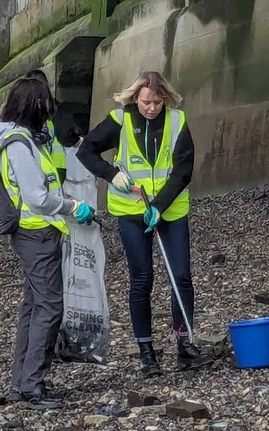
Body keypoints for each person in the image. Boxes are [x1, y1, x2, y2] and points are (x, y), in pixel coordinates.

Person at [78, 71, 210, 378]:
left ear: (165, 98)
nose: (151, 108)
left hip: (170, 209)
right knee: (142, 279)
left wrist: (160, 207)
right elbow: (86, 151)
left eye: (156, 102)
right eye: (145, 102)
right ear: (135, 97)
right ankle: (146, 353)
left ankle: (184, 345)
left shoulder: (177, 121)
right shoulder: (119, 120)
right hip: (130, 210)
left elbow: (183, 171)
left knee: (181, 277)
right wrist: (111, 174)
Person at [0, 74, 95, 408]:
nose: (50, 110)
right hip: (37, 232)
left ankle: (21, 384)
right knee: (49, 307)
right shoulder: (19, 145)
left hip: (34, 232)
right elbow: (38, 198)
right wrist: (73, 206)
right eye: (46, 104)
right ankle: (32, 385)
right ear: (35, 106)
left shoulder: (24, 140)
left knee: (33, 307)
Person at [25, 69, 83, 185]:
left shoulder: (25, 111)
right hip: (57, 166)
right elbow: (65, 134)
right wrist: (78, 140)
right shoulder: (54, 108)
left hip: (35, 165)